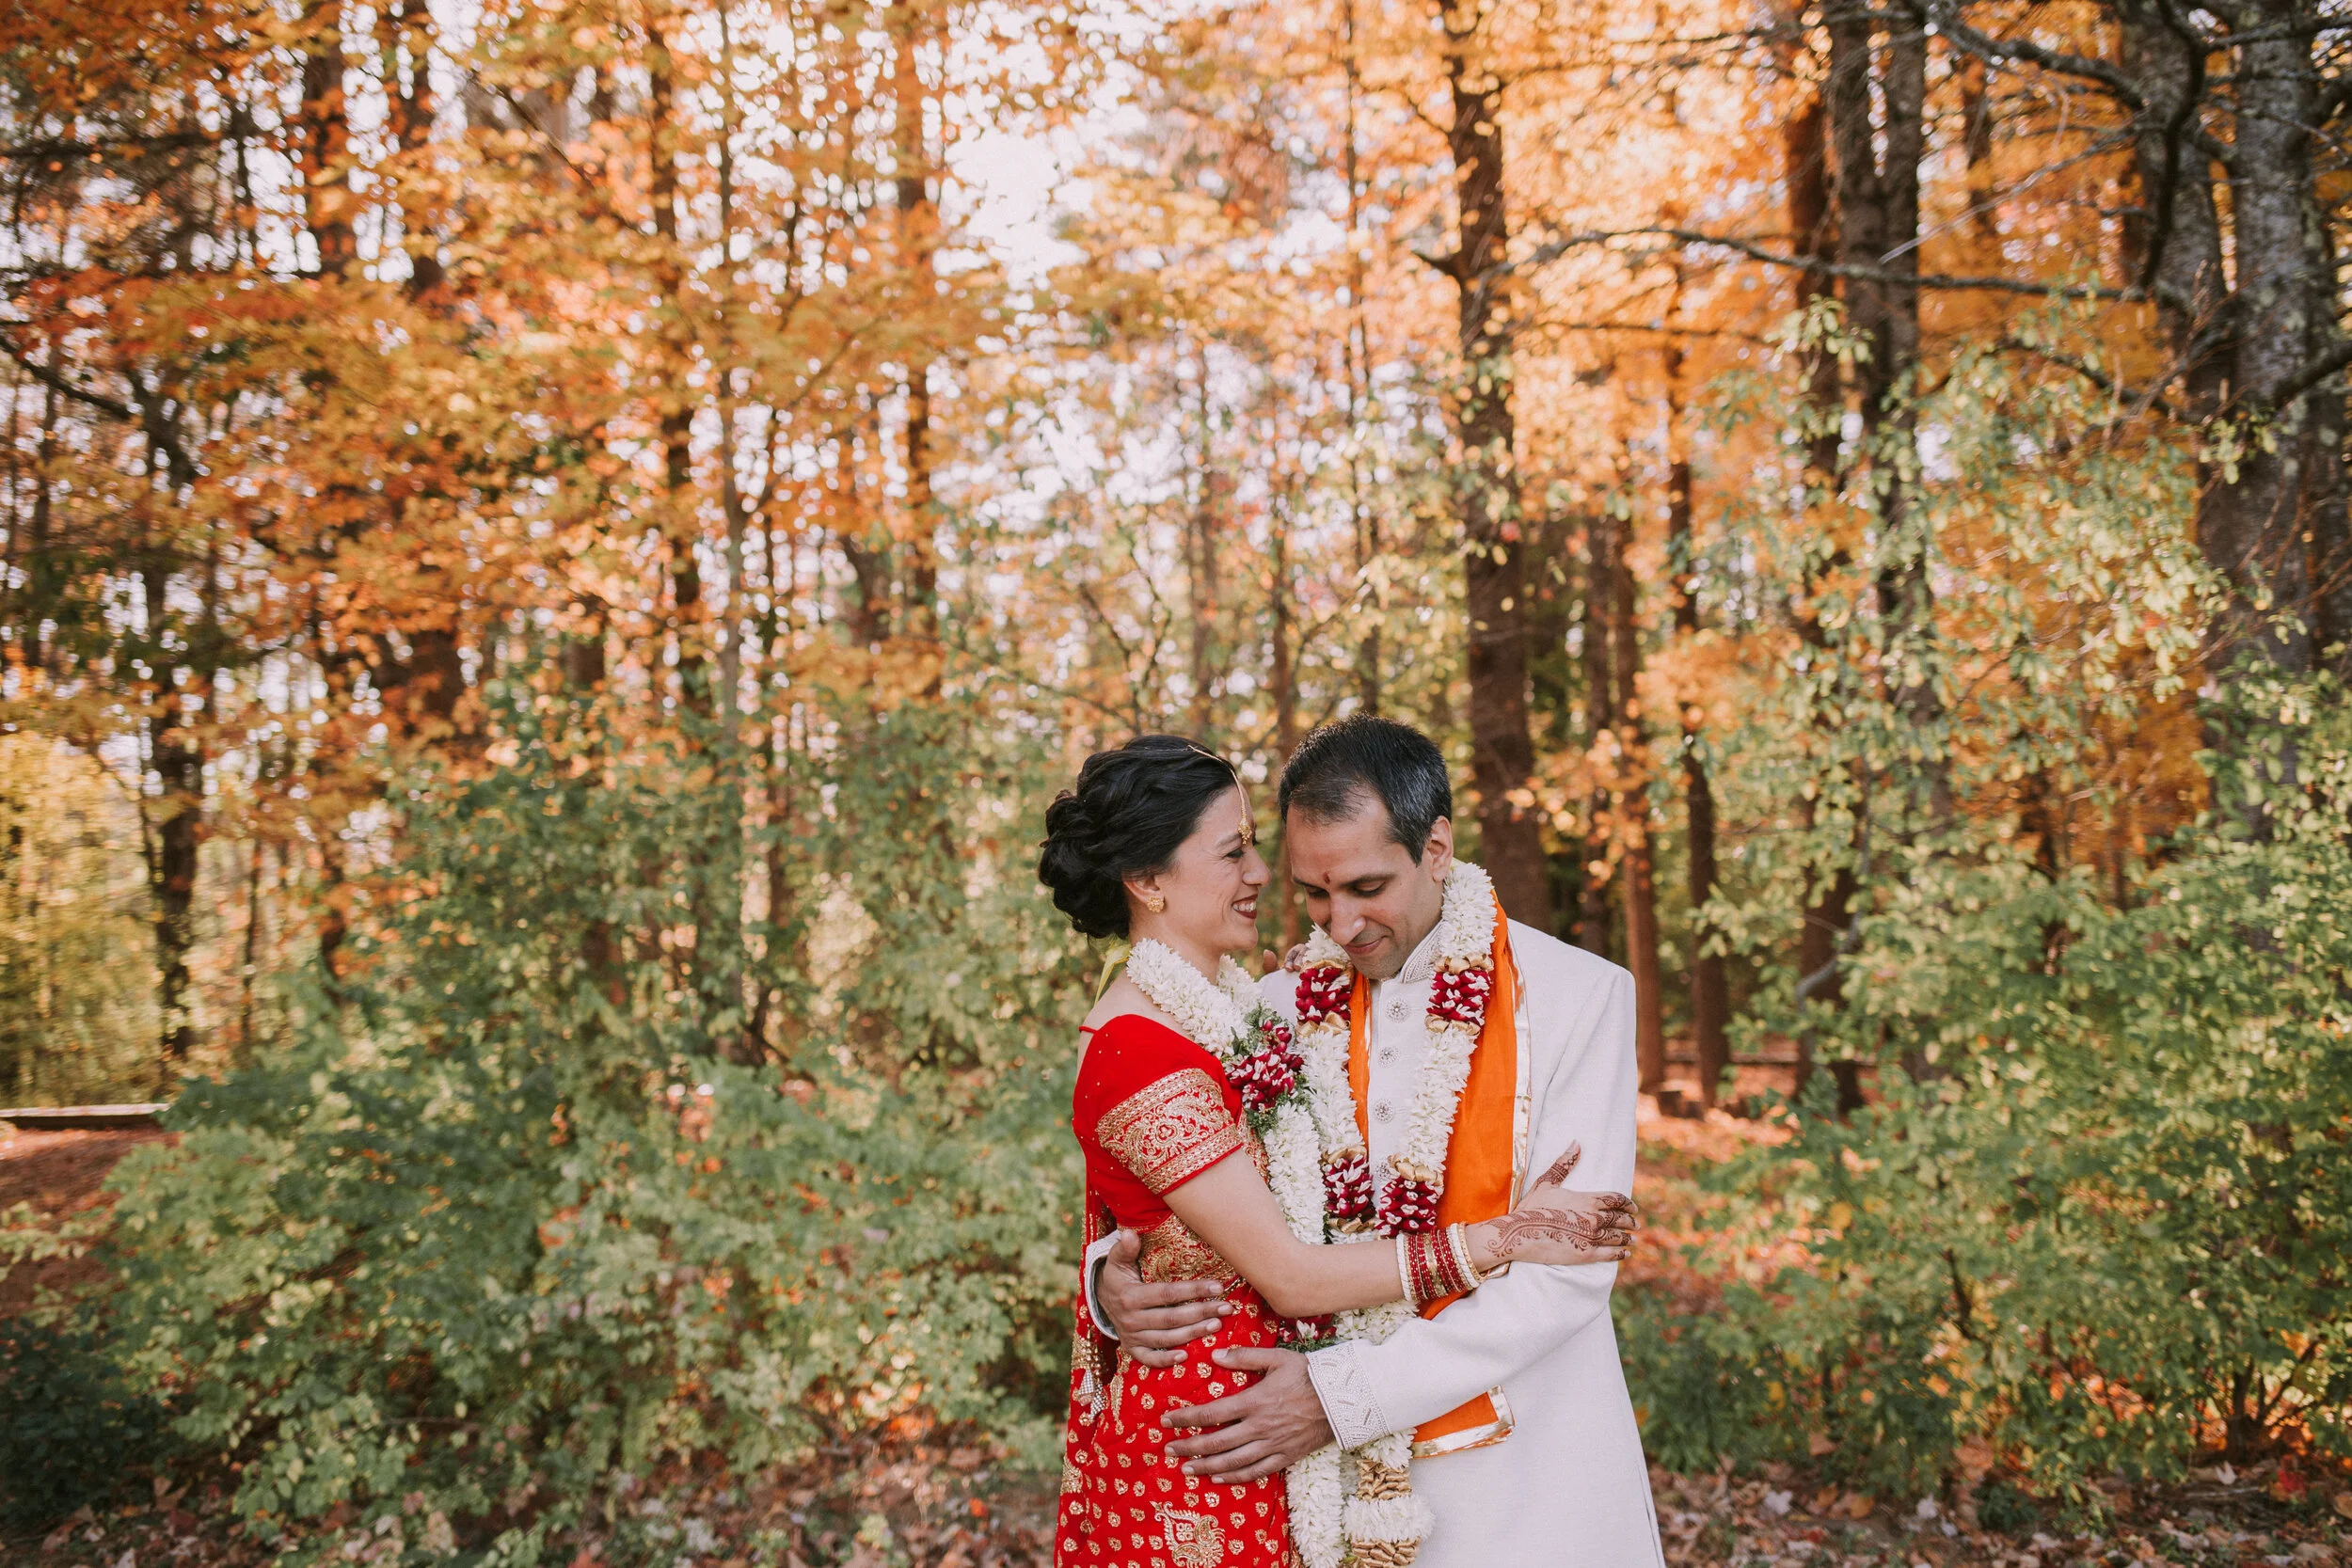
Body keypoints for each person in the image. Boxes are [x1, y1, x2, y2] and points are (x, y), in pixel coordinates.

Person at [1038, 734, 1639, 1568]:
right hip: (1309, 1483)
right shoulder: (1275, 1003)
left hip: (1522, 1477)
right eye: (1315, 894)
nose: (1343, 924)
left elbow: (1568, 1272)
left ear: (1436, 847)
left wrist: (1344, 1396)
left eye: (1367, 887)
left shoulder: (1579, 997)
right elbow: (1186, 1194)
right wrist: (1117, 1276)